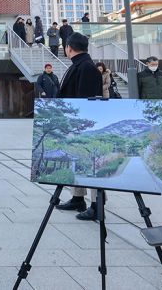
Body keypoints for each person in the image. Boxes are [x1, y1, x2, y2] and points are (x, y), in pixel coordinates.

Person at [54, 32, 103, 221]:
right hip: (74, 125)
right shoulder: (80, 65)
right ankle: (77, 198)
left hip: (83, 127)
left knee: (90, 164)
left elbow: (86, 101)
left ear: (69, 47)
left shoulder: (86, 67)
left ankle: (96, 205)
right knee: (76, 161)